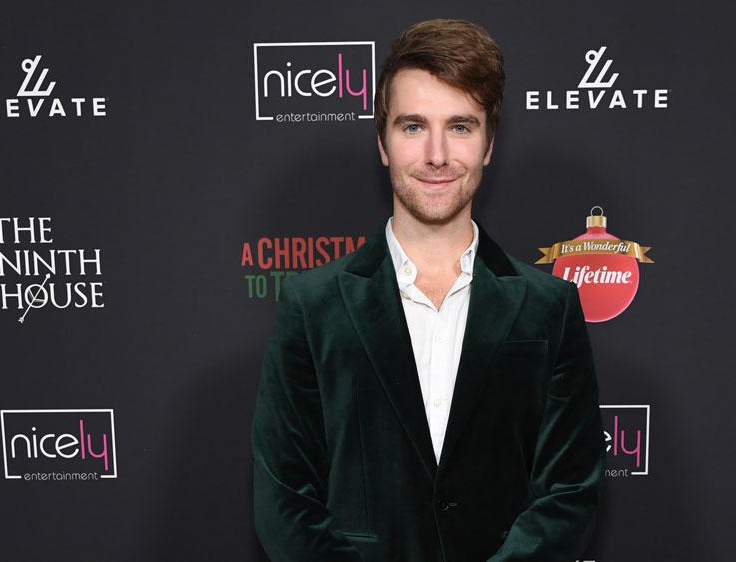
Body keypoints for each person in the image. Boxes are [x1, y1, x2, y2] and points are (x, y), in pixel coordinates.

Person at [252, 18, 605, 562]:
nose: (437, 154)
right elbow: (285, 503)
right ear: (383, 142)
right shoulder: (313, 306)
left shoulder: (549, 308)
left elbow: (569, 493)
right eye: (414, 126)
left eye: (460, 126)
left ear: (488, 145)